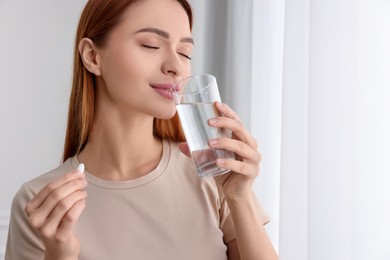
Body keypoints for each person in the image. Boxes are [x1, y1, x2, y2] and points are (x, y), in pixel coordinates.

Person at [5, 0, 278, 259]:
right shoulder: (41, 204)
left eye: (185, 52)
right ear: (92, 57)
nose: (175, 66)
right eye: (151, 45)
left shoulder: (213, 175)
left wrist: (238, 197)